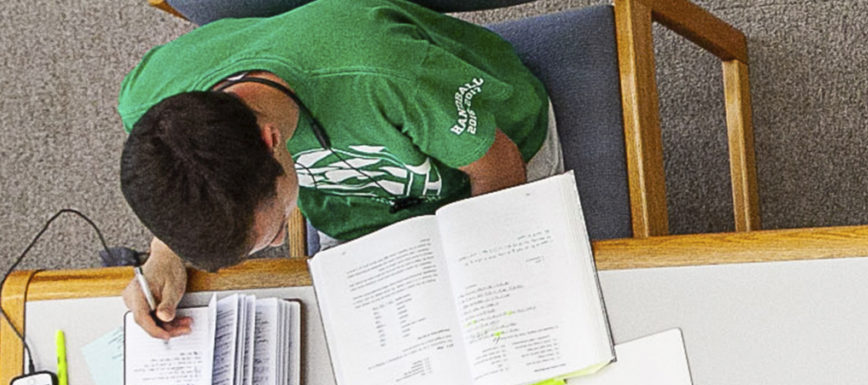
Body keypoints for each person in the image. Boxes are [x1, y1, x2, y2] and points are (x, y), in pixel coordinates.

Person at [114, 0, 559, 338]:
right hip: (361, 206)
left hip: (494, 163)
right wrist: (164, 253)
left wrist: (471, 266)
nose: (275, 243)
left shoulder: (385, 75)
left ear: (271, 141)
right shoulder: (149, 100)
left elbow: (499, 167)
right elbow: (175, 154)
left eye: (271, 233)